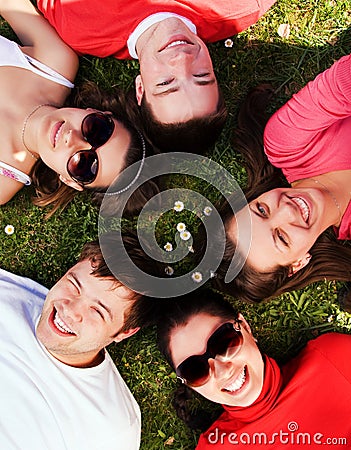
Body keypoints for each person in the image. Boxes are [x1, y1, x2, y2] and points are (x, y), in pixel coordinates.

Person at [36, 0, 276, 153]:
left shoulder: (81, 27)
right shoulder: (240, 5)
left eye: (166, 83)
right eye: (202, 75)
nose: (182, 59)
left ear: (140, 88)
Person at [213, 53, 351, 305]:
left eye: (262, 209)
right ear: (298, 263)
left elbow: (344, 82)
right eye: (282, 237)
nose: (286, 210)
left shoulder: (286, 145)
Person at [0, 233, 159, 450]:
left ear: (124, 333)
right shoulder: (9, 294)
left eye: (97, 311)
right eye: (74, 285)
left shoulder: (110, 429)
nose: (71, 310)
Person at [0, 0, 154, 215]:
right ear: (96, 112)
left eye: (84, 164)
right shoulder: (55, 63)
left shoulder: (3, 181)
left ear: (69, 180)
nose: (73, 138)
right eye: (96, 129)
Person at [157, 290, 351, 449]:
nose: (222, 370)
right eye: (194, 369)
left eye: (224, 343)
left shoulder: (332, 357)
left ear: (246, 327)